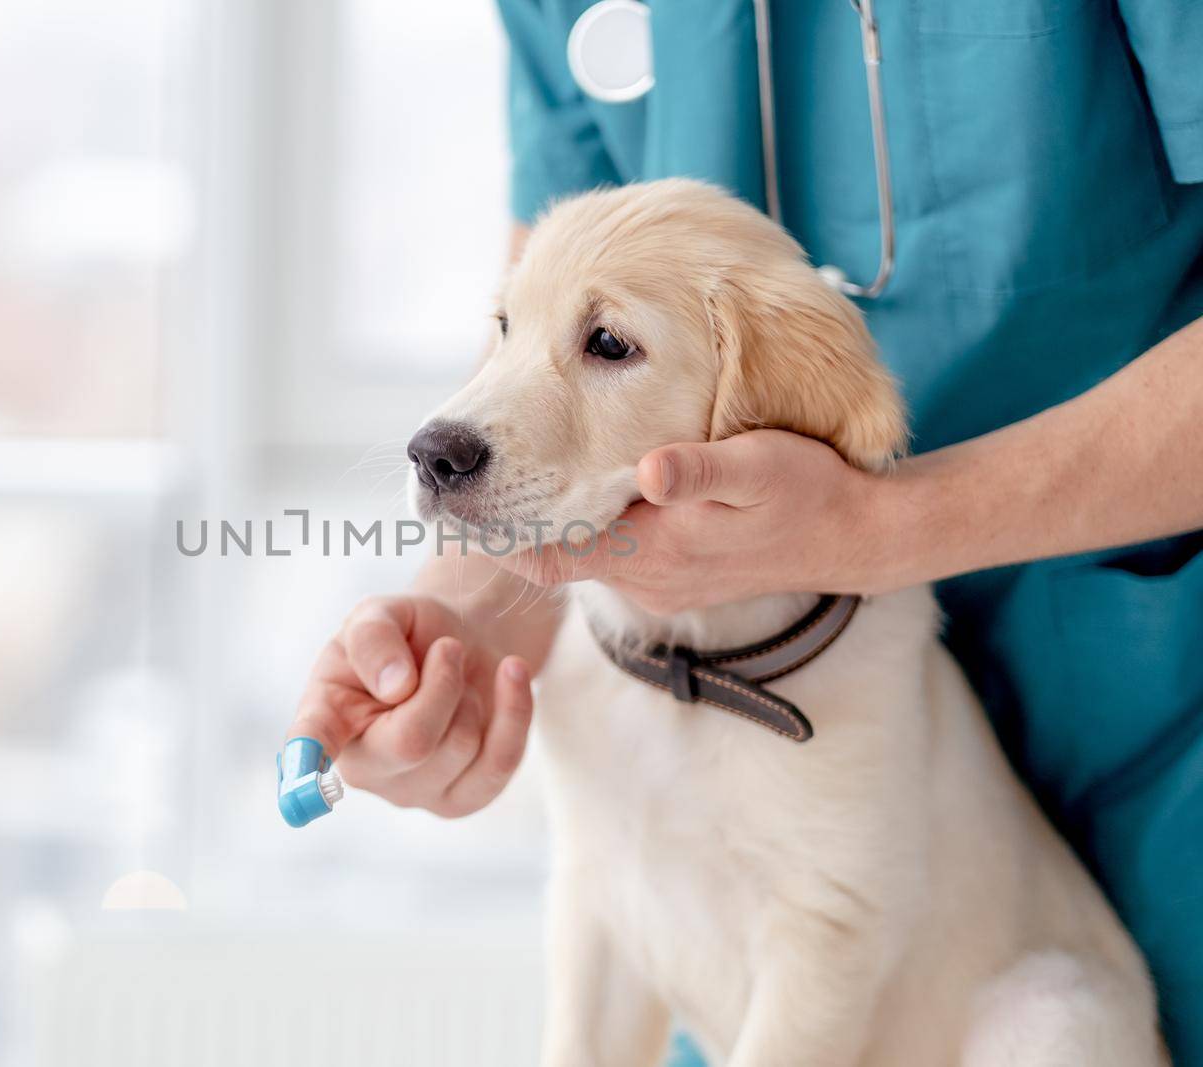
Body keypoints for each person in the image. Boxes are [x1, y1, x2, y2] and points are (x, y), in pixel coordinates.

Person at [291, 2, 1203, 1060]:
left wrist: (873, 526)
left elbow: (831, 929)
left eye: (609, 343)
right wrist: (465, 614)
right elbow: (545, 299)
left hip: (1146, 724)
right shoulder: (599, 658)